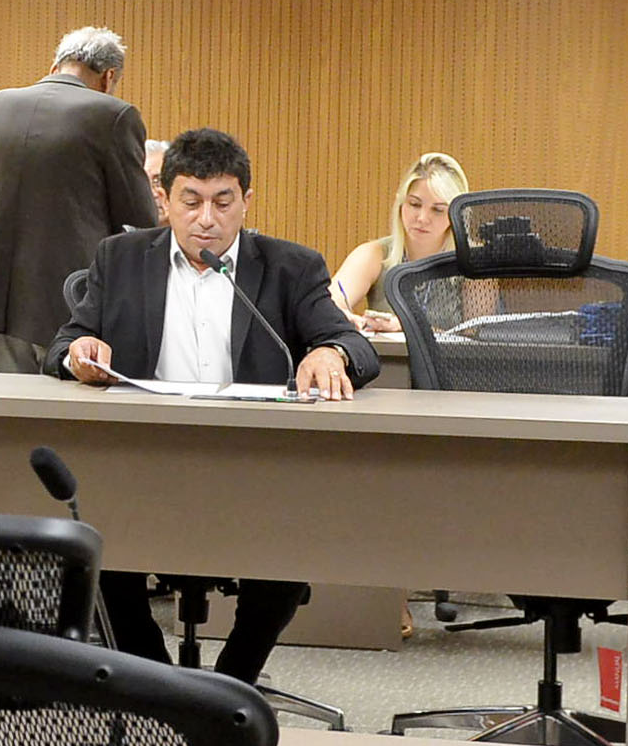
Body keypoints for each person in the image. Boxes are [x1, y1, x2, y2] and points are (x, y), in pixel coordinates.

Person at [48, 128, 379, 681]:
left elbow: (354, 345)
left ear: (246, 201)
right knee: (94, 540)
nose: (207, 219)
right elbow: (63, 345)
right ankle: (156, 681)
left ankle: (232, 682)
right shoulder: (120, 259)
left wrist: (332, 353)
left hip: (255, 467)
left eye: (223, 202)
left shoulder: (290, 267)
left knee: (293, 540)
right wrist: (79, 354)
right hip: (142, 463)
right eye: (191, 201)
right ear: (164, 200)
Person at [0, 26, 160, 373]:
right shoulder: (113, 115)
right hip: (69, 314)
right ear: (109, 77)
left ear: (55, 66)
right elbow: (139, 224)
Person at [332, 152, 469, 334]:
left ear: (456, 215)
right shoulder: (375, 254)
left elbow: (478, 338)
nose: (422, 218)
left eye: (437, 210)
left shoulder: (471, 261)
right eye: (414, 204)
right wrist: (346, 318)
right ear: (401, 204)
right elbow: (329, 304)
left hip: (448, 354)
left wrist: (405, 326)